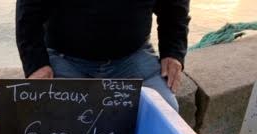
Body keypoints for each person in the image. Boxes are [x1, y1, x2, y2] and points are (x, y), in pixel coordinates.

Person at [15, 0, 190, 111]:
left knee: (166, 108)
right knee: (53, 114)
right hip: (65, 59)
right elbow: (28, 12)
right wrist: (36, 64)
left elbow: (175, 8)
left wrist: (173, 52)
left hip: (132, 58)